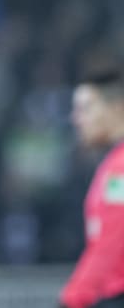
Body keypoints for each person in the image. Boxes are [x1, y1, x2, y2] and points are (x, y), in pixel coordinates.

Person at [60, 67, 124, 308]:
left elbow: (112, 241)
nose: (76, 118)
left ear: (116, 108)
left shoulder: (120, 170)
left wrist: (73, 298)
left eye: (85, 108)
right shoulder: (114, 163)